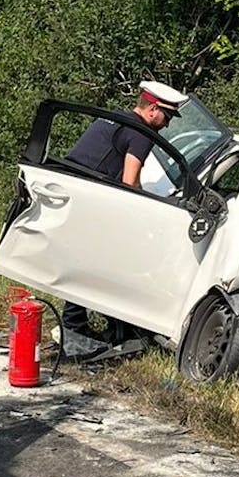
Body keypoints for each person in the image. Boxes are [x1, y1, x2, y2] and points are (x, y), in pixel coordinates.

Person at [59, 81, 187, 359]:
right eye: (167, 116)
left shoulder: (117, 118)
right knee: (98, 263)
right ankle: (76, 332)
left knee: (88, 261)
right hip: (91, 199)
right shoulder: (141, 133)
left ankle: (89, 328)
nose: (166, 125)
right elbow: (130, 182)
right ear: (153, 109)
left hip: (74, 190)